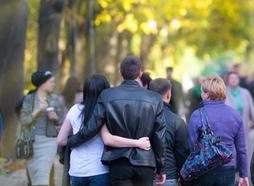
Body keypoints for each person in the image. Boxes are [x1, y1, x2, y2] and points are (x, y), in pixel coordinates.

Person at [66, 56, 167, 186]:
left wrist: (70, 141)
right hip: (145, 162)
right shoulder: (155, 98)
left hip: (118, 162)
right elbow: (159, 136)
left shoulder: (107, 95)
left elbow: (92, 127)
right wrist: (161, 167)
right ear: (140, 73)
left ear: (120, 72)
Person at [57, 75, 151, 186]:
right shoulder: (104, 111)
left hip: (77, 171)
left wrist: (73, 142)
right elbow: (108, 139)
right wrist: (137, 143)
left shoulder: (74, 110)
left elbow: (60, 140)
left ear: (86, 91)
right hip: (99, 171)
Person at [187, 76, 249, 186]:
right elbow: (242, 149)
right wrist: (243, 174)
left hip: (203, 168)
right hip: (228, 168)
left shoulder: (197, 115)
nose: (201, 94)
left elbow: (191, 145)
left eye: (202, 92)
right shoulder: (235, 115)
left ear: (206, 94)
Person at [20, 70, 64, 186]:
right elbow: (24, 121)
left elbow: (62, 121)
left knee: (42, 178)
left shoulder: (55, 99)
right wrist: (38, 111)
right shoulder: (29, 99)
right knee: (35, 179)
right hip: (31, 144)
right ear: (43, 83)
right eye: (51, 82)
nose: (53, 84)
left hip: (49, 143)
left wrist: (55, 118)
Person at [148, 78, 189, 186]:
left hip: (145, 175)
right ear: (168, 95)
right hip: (169, 176)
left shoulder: (141, 117)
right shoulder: (177, 121)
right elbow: (182, 153)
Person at [225, 71, 254, 159]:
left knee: (243, 153)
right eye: (231, 78)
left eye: (236, 78)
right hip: (228, 130)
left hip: (243, 128)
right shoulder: (223, 93)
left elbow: (253, 111)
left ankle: (244, 171)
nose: (234, 80)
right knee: (231, 155)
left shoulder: (245, 93)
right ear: (227, 80)